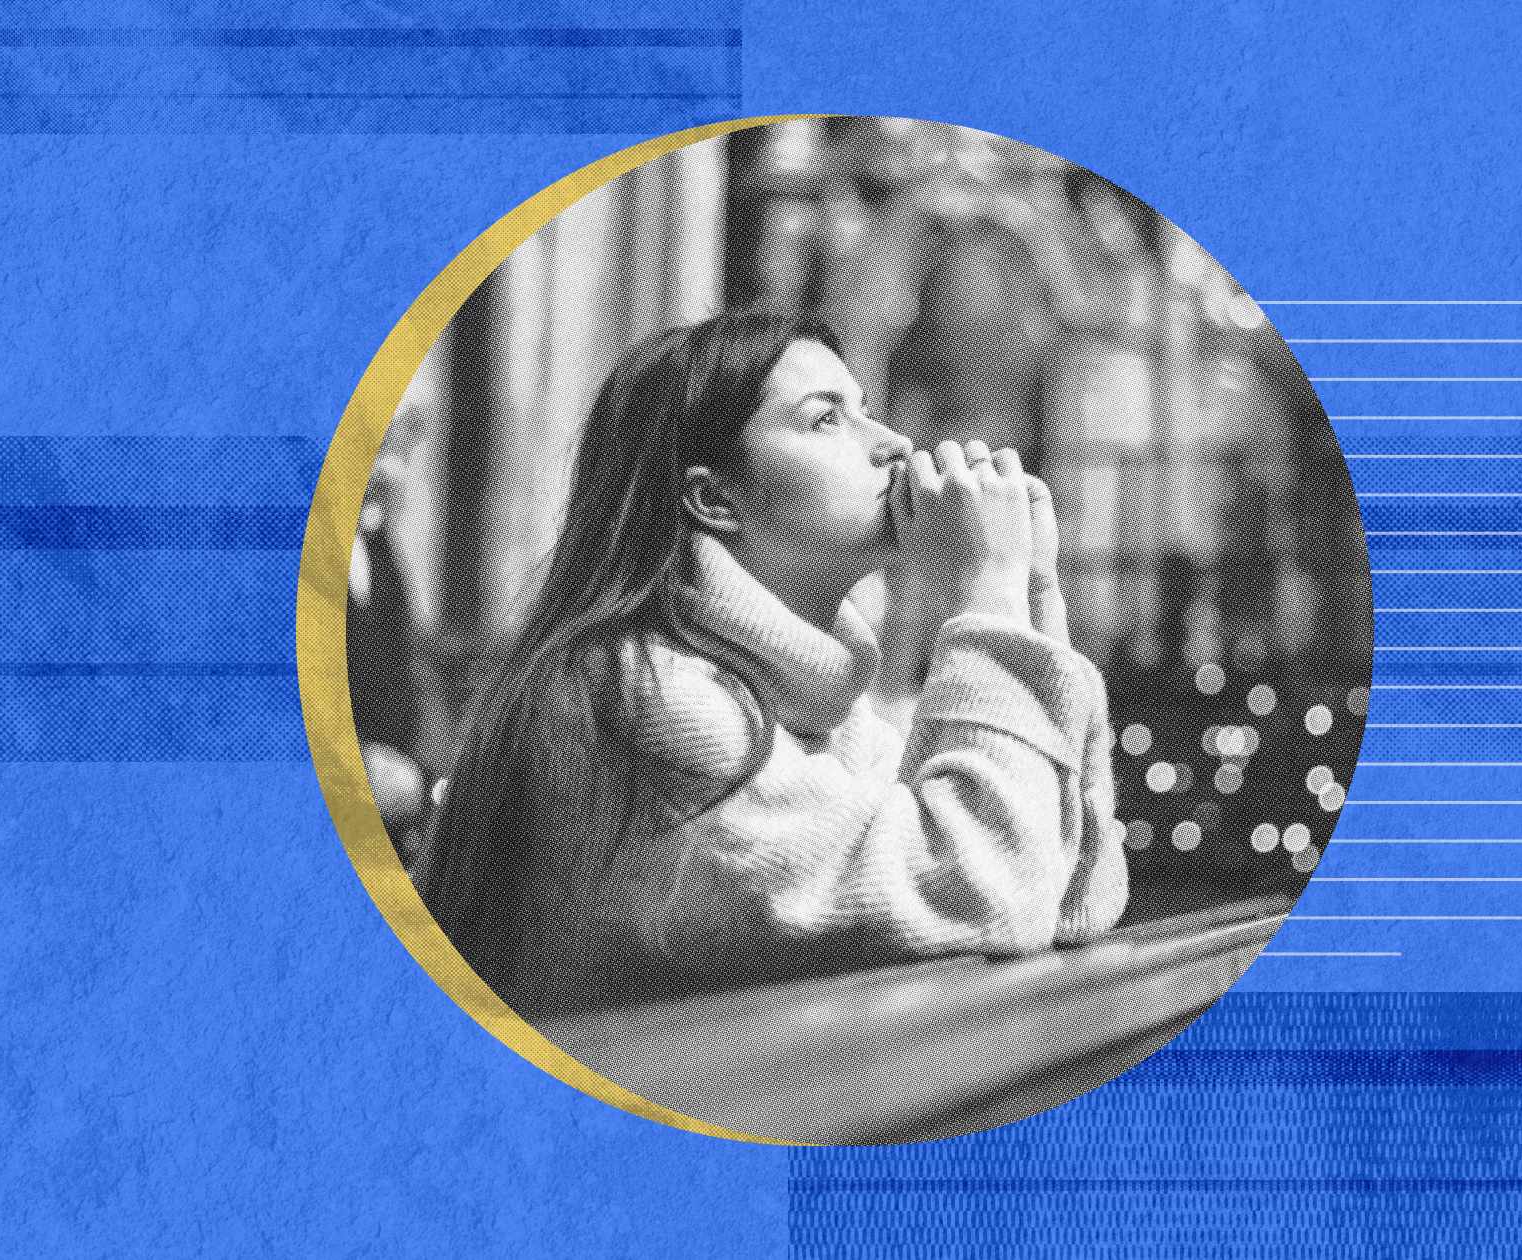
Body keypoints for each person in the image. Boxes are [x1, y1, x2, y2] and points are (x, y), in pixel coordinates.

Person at [413, 309, 1125, 1019]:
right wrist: (986, 594)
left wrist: (1031, 590)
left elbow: (1071, 897)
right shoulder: (636, 689)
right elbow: (987, 895)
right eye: (826, 420)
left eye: (867, 410)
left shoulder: (821, 713)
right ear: (714, 499)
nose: (893, 444)